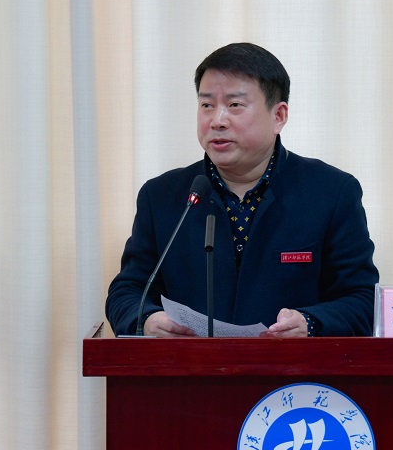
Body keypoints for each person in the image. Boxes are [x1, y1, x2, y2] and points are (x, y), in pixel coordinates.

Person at [105, 43, 378, 337]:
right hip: (189, 366)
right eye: (207, 105)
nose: (217, 120)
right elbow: (127, 291)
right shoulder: (161, 196)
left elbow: (362, 300)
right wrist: (147, 319)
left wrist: (310, 323)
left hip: (292, 366)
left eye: (235, 105)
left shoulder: (331, 192)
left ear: (278, 116)